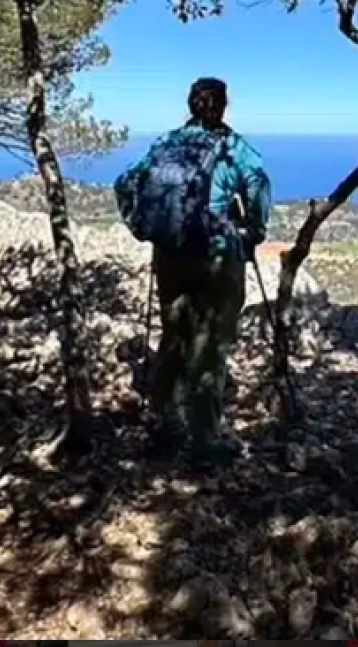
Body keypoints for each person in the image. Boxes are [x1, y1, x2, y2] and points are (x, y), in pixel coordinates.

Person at [113, 76, 272, 464]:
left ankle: (164, 425)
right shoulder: (233, 148)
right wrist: (252, 233)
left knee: (174, 336)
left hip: (169, 254)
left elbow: (125, 183)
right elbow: (258, 187)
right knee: (210, 346)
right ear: (222, 105)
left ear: (190, 104)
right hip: (217, 255)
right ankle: (205, 439)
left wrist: (141, 226)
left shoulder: (167, 144)